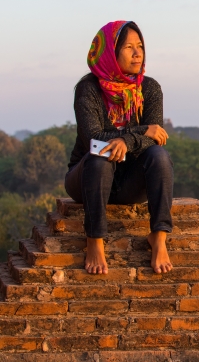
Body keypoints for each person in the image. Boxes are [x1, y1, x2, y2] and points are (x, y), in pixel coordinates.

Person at [65, 20, 174, 275]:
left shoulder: (149, 88)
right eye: (128, 47)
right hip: (87, 177)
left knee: (159, 155)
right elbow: (93, 137)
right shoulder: (88, 89)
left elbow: (155, 137)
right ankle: (95, 241)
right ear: (110, 53)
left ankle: (158, 238)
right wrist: (137, 131)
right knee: (101, 155)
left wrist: (126, 140)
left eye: (140, 47)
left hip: (130, 183)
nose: (138, 53)